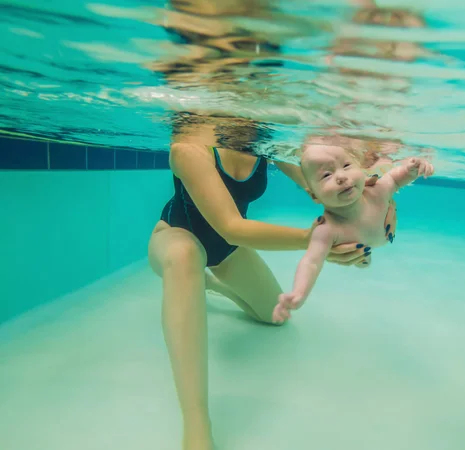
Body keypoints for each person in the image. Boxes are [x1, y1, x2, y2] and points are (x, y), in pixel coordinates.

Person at [147, 117, 397, 450]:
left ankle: (213, 283)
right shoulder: (189, 146)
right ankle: (196, 424)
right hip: (176, 237)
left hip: (228, 253)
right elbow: (231, 227)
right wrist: (316, 243)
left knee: (273, 315)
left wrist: (376, 202)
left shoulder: (264, 141)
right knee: (185, 257)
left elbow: (319, 186)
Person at [273, 142, 433, 323]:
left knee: (363, 258)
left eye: (347, 165)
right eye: (326, 175)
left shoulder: (376, 191)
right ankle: (364, 257)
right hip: (363, 243)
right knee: (362, 259)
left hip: (373, 240)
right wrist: (299, 293)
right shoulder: (327, 230)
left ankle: (364, 257)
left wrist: (413, 168)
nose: (341, 176)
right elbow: (311, 262)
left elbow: (395, 178)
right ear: (314, 196)